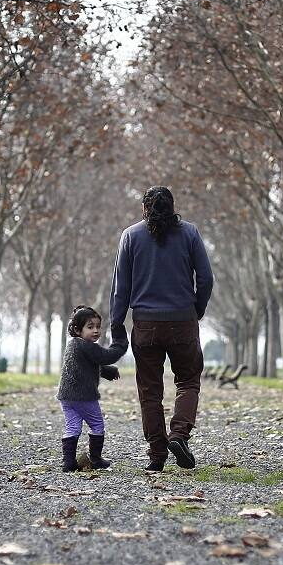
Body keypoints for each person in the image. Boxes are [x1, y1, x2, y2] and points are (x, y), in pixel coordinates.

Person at [109, 186, 214, 472]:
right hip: (183, 322)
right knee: (188, 381)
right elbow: (206, 278)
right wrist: (197, 309)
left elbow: (121, 288)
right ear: (172, 206)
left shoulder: (130, 236)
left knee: (150, 391)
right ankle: (179, 435)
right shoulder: (190, 233)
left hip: (145, 325)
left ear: (144, 208)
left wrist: (117, 326)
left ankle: (157, 454)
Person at [56, 305, 126, 472]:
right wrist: (120, 344)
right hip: (83, 396)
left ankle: (68, 462)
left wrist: (108, 372)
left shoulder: (73, 345)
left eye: (98, 327)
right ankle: (95, 459)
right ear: (77, 329)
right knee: (97, 425)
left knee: (73, 426)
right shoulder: (87, 346)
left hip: (66, 396)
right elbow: (106, 356)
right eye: (90, 327)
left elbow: (86, 366)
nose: (95, 331)